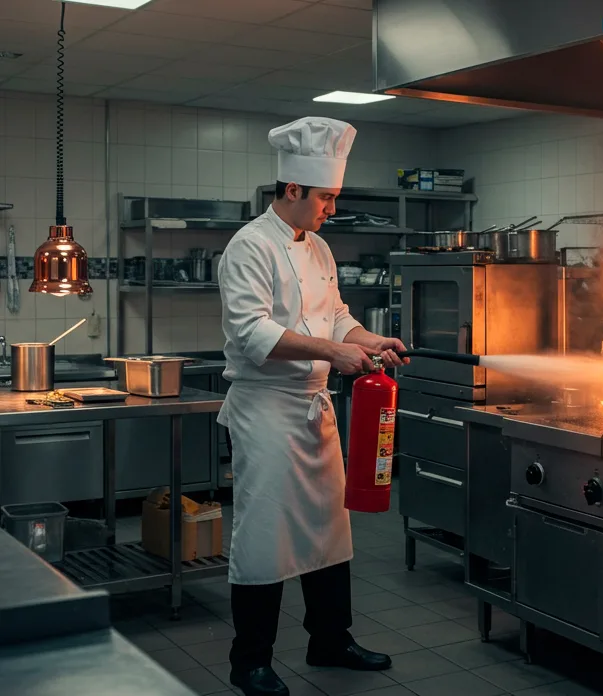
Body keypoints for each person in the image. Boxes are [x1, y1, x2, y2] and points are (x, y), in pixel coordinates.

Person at [216, 116, 406, 696]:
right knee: (264, 534)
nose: (332, 209)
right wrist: (332, 352)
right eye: (326, 197)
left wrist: (367, 340)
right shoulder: (249, 246)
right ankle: (250, 660)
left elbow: (337, 317)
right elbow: (252, 332)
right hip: (267, 410)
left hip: (313, 410)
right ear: (293, 189)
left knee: (330, 528)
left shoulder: (319, 247)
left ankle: (330, 639)